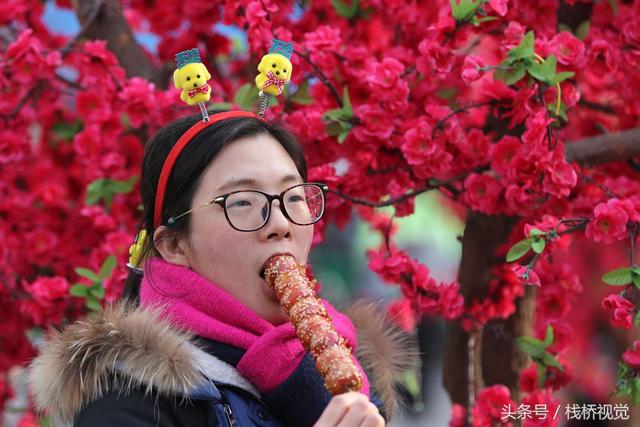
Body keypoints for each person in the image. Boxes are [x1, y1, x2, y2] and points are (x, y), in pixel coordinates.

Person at [28, 111, 414, 426]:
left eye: (294, 196)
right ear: (175, 245)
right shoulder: (128, 406)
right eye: (242, 201)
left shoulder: (354, 371)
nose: (280, 223)